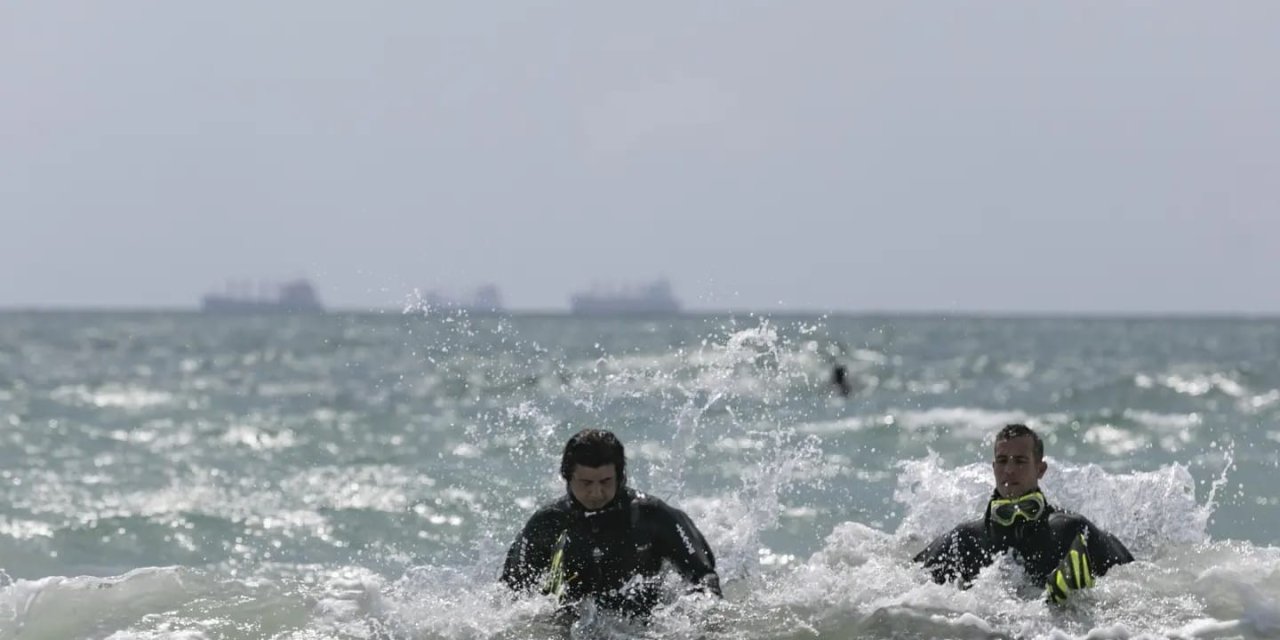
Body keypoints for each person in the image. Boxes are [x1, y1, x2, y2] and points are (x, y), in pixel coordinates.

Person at [501, 429, 722, 620]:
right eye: (586, 483)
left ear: (620, 476)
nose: (596, 493)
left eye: (606, 482)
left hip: (644, 628)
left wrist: (704, 619)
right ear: (567, 477)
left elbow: (704, 577)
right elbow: (512, 592)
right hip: (569, 627)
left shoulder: (652, 515)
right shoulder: (548, 523)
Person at [914, 424, 1134, 603]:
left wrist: (1087, 602)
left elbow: (1134, 580)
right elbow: (906, 589)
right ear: (993, 467)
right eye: (1002, 461)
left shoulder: (1072, 530)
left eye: (1020, 461)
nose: (1009, 470)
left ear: (1040, 469)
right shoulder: (964, 539)